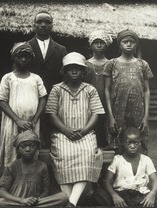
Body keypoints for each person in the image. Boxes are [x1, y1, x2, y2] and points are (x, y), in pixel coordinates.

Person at [45, 52, 105, 207]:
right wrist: (65, 130)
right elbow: (51, 114)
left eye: (77, 69)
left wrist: (84, 130)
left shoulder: (90, 90)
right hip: (62, 134)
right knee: (63, 155)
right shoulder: (57, 89)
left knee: (88, 154)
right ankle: (68, 199)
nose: (73, 71)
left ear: (83, 72)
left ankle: (71, 202)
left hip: (85, 133)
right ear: (64, 71)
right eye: (70, 68)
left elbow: (96, 113)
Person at [0, 42, 47, 167]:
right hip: (13, 122)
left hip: (31, 124)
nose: (24, 59)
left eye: (27, 56)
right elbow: (1, 101)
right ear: (14, 58)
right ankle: (11, 181)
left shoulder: (36, 78)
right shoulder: (8, 78)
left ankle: (29, 181)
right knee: (12, 150)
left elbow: (43, 98)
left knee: (30, 149)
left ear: (31, 58)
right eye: (20, 56)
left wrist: (34, 120)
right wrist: (17, 120)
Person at [92, 127, 157, 207]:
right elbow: (107, 181)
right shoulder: (117, 159)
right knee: (98, 194)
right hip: (121, 196)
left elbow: (155, 181)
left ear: (140, 142)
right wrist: (114, 196)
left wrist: (152, 194)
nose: (132, 146)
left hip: (141, 197)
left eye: (136, 143)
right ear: (122, 143)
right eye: (128, 143)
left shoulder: (146, 160)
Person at [104, 29, 153, 154]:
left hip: (137, 112)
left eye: (132, 42)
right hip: (117, 111)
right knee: (117, 143)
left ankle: (139, 171)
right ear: (119, 45)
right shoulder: (111, 64)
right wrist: (110, 117)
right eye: (125, 41)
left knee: (139, 142)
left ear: (136, 45)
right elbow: (107, 89)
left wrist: (146, 117)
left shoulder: (143, 64)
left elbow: (146, 90)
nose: (129, 44)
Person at [0, 130, 68, 207]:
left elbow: (46, 190)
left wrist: (36, 200)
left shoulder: (42, 166)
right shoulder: (12, 166)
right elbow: (2, 191)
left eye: (32, 146)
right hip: (17, 201)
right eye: (23, 146)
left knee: (63, 197)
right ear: (18, 149)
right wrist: (21, 200)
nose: (27, 149)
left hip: (36, 202)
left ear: (37, 148)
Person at [28, 10, 67, 147]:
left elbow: (64, 75)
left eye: (47, 22)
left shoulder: (61, 49)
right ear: (34, 25)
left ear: (52, 26)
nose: (43, 25)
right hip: (31, 96)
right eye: (39, 22)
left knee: (53, 134)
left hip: (54, 96)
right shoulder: (26, 47)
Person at [84, 30, 113, 148]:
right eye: (96, 42)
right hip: (89, 102)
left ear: (106, 45)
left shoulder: (111, 64)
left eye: (102, 42)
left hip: (106, 102)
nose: (99, 45)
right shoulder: (85, 64)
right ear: (91, 45)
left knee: (104, 130)